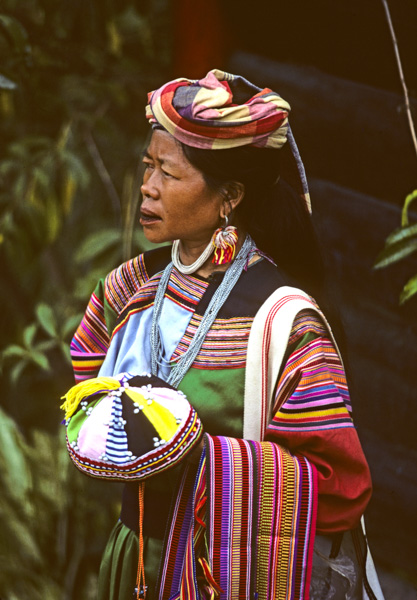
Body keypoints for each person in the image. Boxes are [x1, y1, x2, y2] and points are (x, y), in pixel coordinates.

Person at [65, 70, 383, 600]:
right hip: (136, 567)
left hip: (227, 577)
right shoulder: (128, 288)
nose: (147, 186)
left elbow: (340, 486)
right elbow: (86, 391)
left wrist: (202, 459)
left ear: (229, 195)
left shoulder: (284, 321)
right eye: (148, 165)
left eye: (168, 172)